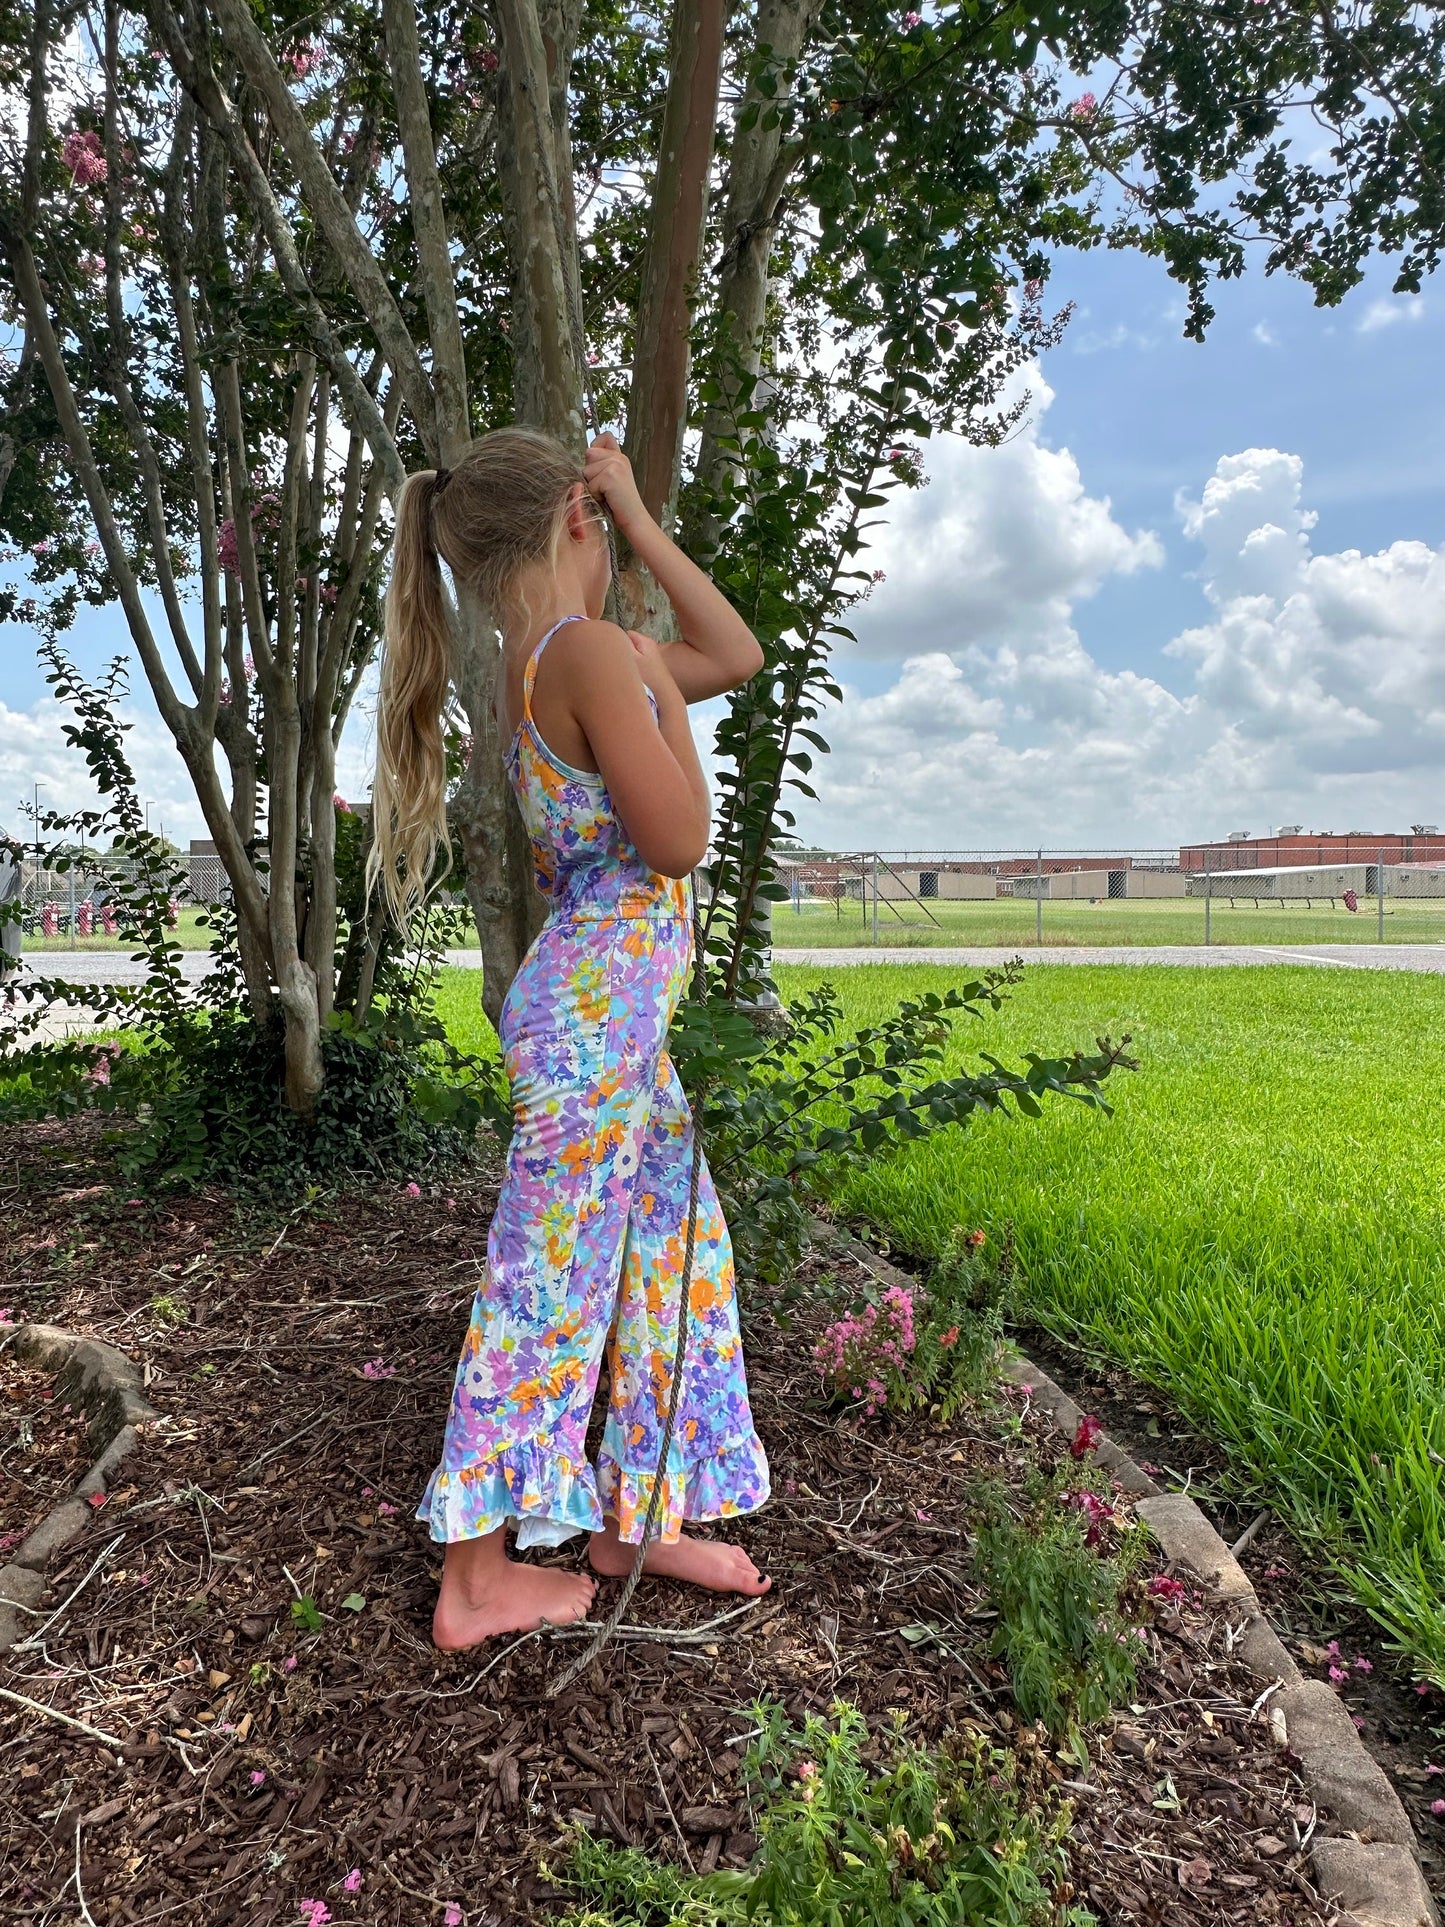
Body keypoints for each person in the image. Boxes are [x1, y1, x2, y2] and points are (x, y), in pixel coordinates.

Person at [371, 428, 772, 1648]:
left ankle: (637, 1513)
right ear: (574, 524)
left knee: (671, 1256)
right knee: (543, 1276)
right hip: (595, 1020)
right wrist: (655, 684)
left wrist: (640, 530)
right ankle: (479, 1575)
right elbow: (679, 841)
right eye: (611, 523)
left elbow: (734, 653)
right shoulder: (590, 654)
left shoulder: (547, 659)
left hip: (607, 1020)